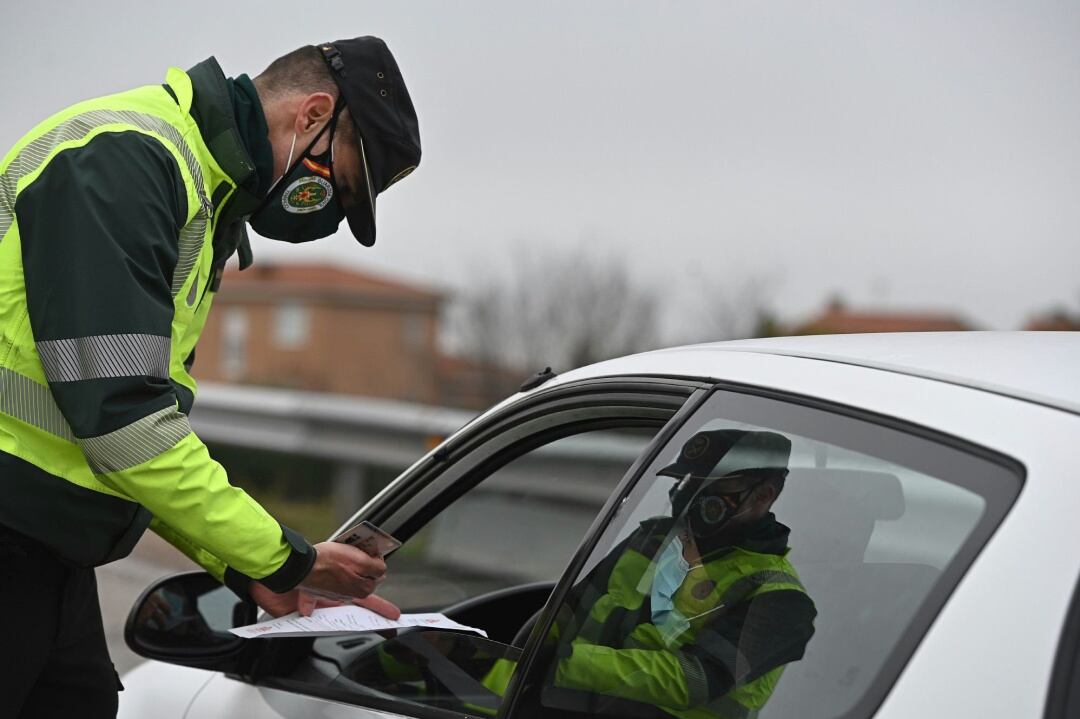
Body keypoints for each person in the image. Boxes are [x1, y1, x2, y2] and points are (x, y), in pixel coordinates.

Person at [0, 36, 421, 718]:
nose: (332, 212)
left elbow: (135, 432)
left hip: (46, 551)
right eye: (341, 183)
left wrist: (249, 565)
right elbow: (125, 423)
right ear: (314, 114)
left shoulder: (201, 198)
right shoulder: (125, 163)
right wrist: (287, 559)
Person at [480, 429, 817, 719]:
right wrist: (496, 680)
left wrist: (564, 663)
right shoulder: (651, 541)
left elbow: (694, 680)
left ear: (763, 495)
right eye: (686, 483)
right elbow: (566, 614)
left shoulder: (779, 599)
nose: (689, 497)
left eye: (711, 487)